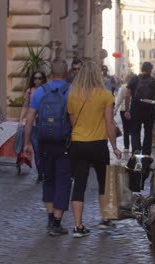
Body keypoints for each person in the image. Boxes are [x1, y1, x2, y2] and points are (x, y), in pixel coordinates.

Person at [67, 59, 122, 236]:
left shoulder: (73, 95)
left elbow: (73, 122)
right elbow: (109, 123)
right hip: (98, 144)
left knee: (79, 184)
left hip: (78, 143)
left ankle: (78, 226)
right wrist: (114, 147)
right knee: (103, 183)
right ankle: (105, 219)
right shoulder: (105, 95)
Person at [23, 58, 72, 236]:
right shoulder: (70, 91)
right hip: (64, 143)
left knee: (49, 180)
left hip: (44, 142)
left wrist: (27, 143)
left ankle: (50, 219)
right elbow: (74, 120)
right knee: (63, 181)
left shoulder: (39, 92)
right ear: (66, 73)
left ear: (50, 73)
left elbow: (29, 121)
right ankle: (57, 223)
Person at [19, 71, 47, 183]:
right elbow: (25, 106)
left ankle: (45, 172)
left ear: (43, 79)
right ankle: (40, 173)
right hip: (33, 126)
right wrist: (21, 119)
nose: (37, 80)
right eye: (35, 78)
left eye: (40, 78)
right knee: (37, 149)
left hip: (44, 125)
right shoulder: (29, 92)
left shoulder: (46, 91)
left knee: (45, 150)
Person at [124, 62, 155, 155]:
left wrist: (127, 110)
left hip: (136, 108)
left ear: (141, 69)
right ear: (150, 70)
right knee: (148, 132)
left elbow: (127, 95)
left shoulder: (134, 79)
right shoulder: (153, 80)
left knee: (135, 131)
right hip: (149, 110)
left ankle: (136, 150)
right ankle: (146, 152)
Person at [114, 72, 135, 152]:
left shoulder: (123, 87)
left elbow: (118, 100)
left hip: (123, 110)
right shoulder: (135, 86)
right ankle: (134, 147)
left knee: (125, 129)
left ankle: (126, 147)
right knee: (134, 129)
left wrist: (115, 110)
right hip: (133, 110)